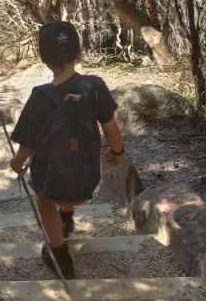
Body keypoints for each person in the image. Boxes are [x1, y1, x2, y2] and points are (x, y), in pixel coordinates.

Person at [9, 21, 124, 279]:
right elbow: (111, 129)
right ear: (79, 53)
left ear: (42, 58)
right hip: (86, 180)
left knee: (44, 199)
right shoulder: (95, 86)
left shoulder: (41, 96)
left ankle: (58, 252)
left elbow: (27, 144)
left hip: (53, 181)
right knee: (69, 177)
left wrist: (17, 162)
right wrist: (117, 152)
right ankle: (68, 214)